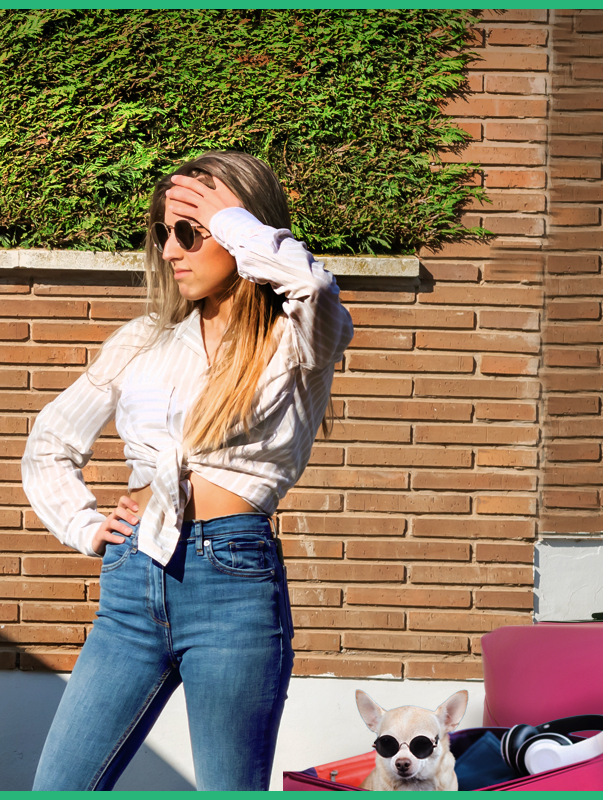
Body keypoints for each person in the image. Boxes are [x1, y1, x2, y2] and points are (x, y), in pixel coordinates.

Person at [22, 151, 354, 790]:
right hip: (131, 583)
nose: (171, 250)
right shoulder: (144, 340)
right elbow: (51, 441)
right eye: (162, 232)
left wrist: (229, 218)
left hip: (233, 586)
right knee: (59, 790)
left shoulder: (302, 335)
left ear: (241, 231)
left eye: (191, 232)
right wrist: (87, 526)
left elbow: (310, 283)